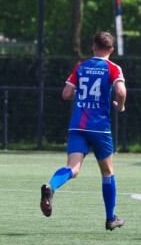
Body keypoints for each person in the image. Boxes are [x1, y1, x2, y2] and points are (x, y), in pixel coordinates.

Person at [40, 31, 127, 231]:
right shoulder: (112, 67)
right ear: (111, 50)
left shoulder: (81, 66)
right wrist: (120, 106)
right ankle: (110, 217)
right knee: (107, 172)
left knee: (73, 168)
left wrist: (82, 95)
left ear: (93, 47)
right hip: (100, 128)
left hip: (78, 125)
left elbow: (66, 94)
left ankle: (52, 186)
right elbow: (121, 91)